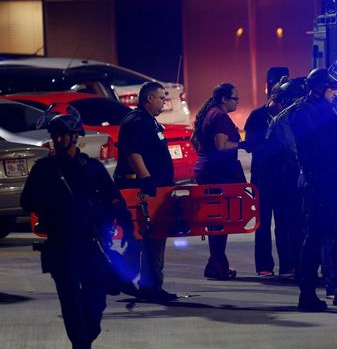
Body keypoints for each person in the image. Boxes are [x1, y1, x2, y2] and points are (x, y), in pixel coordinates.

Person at [22, 107, 136, 349]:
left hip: (92, 244)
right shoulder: (44, 169)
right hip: (61, 245)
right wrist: (52, 204)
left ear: (76, 136)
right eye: (55, 135)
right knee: (71, 300)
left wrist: (125, 229)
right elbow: (27, 201)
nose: (59, 140)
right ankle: (80, 344)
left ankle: (86, 336)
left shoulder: (91, 168)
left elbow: (114, 200)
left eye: (64, 135)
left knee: (96, 299)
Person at [290, 67, 337, 312]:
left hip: (333, 181)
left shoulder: (321, 109)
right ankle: (308, 294)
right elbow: (324, 147)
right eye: (332, 88)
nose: (335, 92)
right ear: (319, 88)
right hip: (322, 183)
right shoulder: (305, 112)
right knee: (315, 239)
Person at [114, 81, 176, 301]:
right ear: (149, 99)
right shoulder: (138, 121)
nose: (164, 101)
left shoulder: (149, 121)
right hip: (142, 190)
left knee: (149, 238)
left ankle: (146, 284)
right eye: (161, 98)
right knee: (148, 237)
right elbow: (133, 152)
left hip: (152, 190)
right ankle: (144, 285)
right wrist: (147, 180)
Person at [191, 83, 245, 280]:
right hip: (218, 174)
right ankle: (217, 266)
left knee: (216, 220)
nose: (237, 102)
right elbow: (221, 146)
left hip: (208, 171)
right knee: (220, 221)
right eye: (235, 98)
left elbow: (195, 141)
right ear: (224, 99)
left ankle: (215, 264)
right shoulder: (220, 116)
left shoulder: (209, 113)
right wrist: (243, 144)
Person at [262, 77, 307, 279]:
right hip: (288, 179)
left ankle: (299, 266)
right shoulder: (283, 120)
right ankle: (294, 266)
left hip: (295, 177)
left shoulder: (295, 116)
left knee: (299, 223)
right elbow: (293, 149)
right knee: (291, 223)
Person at [244, 79, 288, 277]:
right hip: (262, 176)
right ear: (273, 99)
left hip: (282, 177)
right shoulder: (256, 116)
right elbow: (250, 144)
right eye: (282, 103)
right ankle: (264, 266)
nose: (284, 107)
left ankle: (287, 265)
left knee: (284, 223)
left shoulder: (287, 115)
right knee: (262, 224)